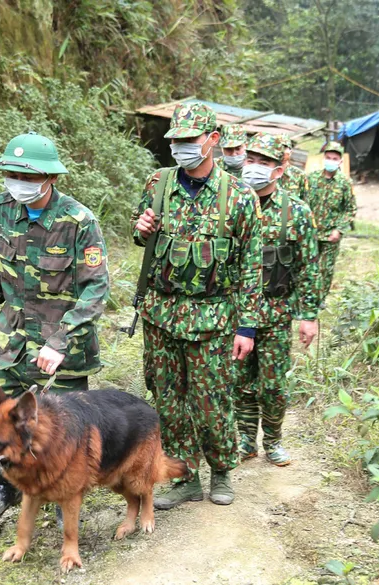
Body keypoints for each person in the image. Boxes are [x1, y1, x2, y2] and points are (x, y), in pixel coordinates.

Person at [0, 132, 110, 525]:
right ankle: (6, 489)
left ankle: (65, 500)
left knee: (65, 431)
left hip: (63, 339)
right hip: (9, 335)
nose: (18, 183)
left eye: (28, 176)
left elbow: (96, 288)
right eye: (11, 174)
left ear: (51, 178)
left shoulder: (79, 221)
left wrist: (60, 341)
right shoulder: (2, 209)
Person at [133, 103, 262, 509]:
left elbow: (251, 266)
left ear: (212, 141)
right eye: (175, 140)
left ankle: (221, 470)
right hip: (161, 315)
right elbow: (144, 235)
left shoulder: (240, 197)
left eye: (189, 140)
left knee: (212, 401)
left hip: (214, 317)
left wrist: (247, 327)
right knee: (167, 398)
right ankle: (183, 475)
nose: (180, 147)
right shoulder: (158, 182)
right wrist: (140, 229)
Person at [235, 133, 320, 466]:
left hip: (276, 310)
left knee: (272, 383)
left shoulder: (296, 211)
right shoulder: (231, 203)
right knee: (240, 380)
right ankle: (245, 439)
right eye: (251, 160)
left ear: (279, 170)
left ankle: (273, 440)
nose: (255, 168)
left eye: (264, 163)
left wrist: (309, 315)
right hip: (238, 313)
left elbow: (309, 266)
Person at [304, 141, 355, 309]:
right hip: (311, 233)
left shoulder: (344, 183)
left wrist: (338, 230)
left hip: (330, 235)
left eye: (334, 158)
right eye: (328, 157)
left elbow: (350, 209)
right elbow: (303, 203)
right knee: (308, 268)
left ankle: (319, 300)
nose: (331, 160)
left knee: (325, 269)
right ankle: (306, 298)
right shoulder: (311, 178)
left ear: (340, 161)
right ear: (323, 158)